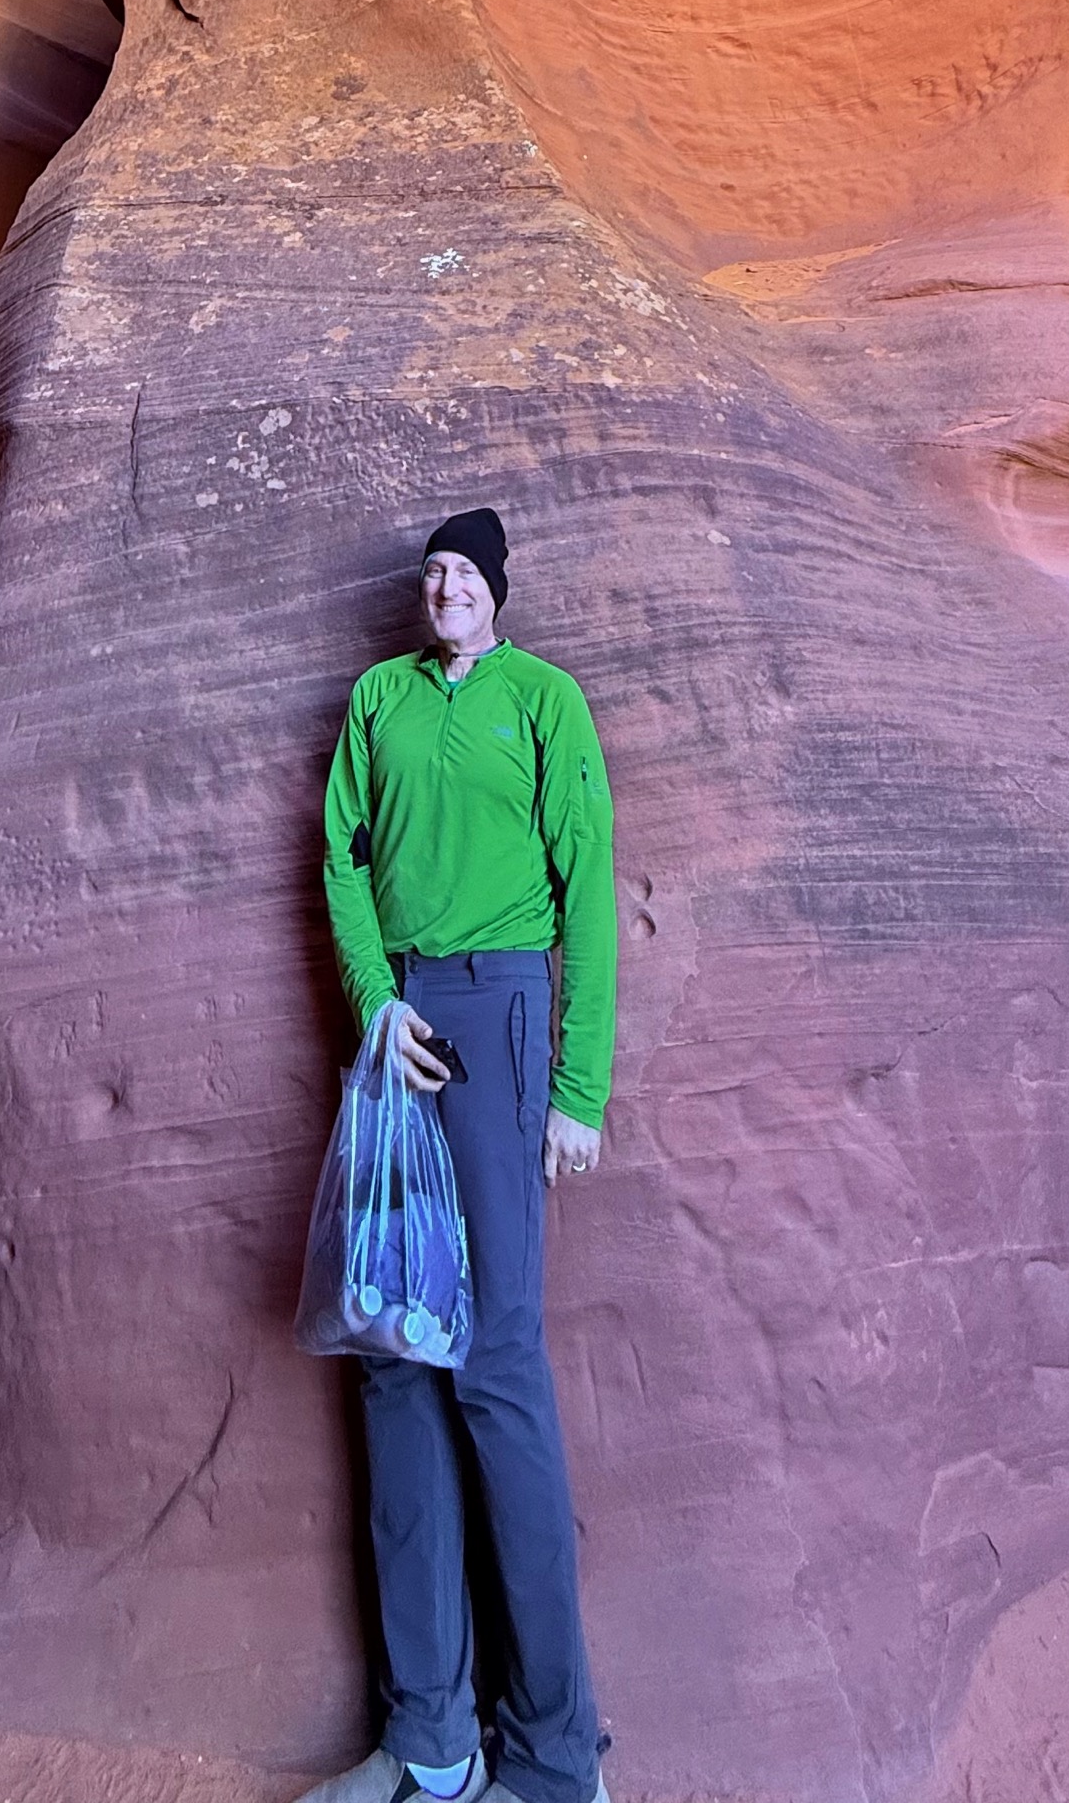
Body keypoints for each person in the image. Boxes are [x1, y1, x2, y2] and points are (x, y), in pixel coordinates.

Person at [301, 508, 618, 1803]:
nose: (445, 590)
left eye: (465, 576)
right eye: (431, 574)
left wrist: (577, 1087)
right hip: (400, 1025)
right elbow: (340, 856)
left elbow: (589, 885)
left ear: (497, 594)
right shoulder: (379, 698)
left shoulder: (546, 702)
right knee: (390, 1351)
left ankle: (553, 1759)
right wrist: (375, 996)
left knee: (493, 1361)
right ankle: (431, 1742)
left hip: (500, 1009)